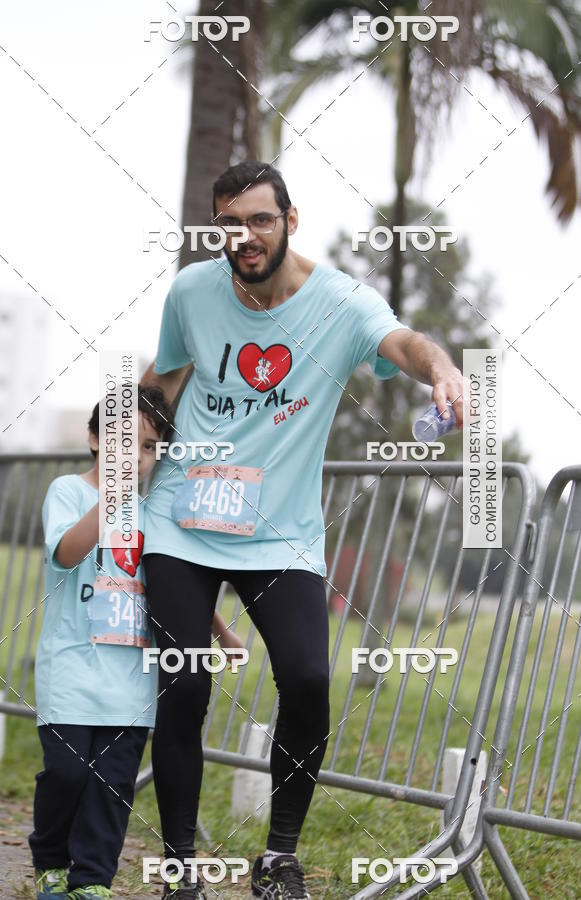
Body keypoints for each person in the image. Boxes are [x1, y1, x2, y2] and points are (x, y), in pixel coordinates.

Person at [141, 160, 464, 900]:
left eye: (259, 219)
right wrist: (135, 449)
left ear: (292, 219)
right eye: (229, 223)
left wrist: (441, 368)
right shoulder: (192, 291)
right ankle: (180, 866)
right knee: (185, 685)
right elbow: (160, 382)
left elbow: (405, 343)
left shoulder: (343, 304)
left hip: (280, 533)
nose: (245, 237)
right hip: (180, 522)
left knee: (310, 678)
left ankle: (279, 857)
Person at [29, 386, 242, 900]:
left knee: (112, 783)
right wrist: (114, 500)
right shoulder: (69, 492)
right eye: (127, 442)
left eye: (149, 447)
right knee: (67, 772)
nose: (139, 457)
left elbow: (169, 583)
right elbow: (64, 552)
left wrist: (222, 631)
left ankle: (92, 880)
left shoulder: (153, 515)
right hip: (72, 668)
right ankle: (52, 857)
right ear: (96, 439)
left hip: (132, 675)